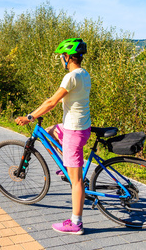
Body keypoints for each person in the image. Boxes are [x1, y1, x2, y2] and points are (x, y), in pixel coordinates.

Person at [15, 38, 91, 235]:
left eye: (61, 57)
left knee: (77, 182)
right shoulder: (84, 74)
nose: (61, 60)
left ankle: (76, 223)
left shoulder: (70, 77)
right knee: (49, 132)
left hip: (74, 132)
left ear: (67, 57)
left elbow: (51, 102)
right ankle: (66, 166)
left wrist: (30, 117)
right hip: (78, 127)